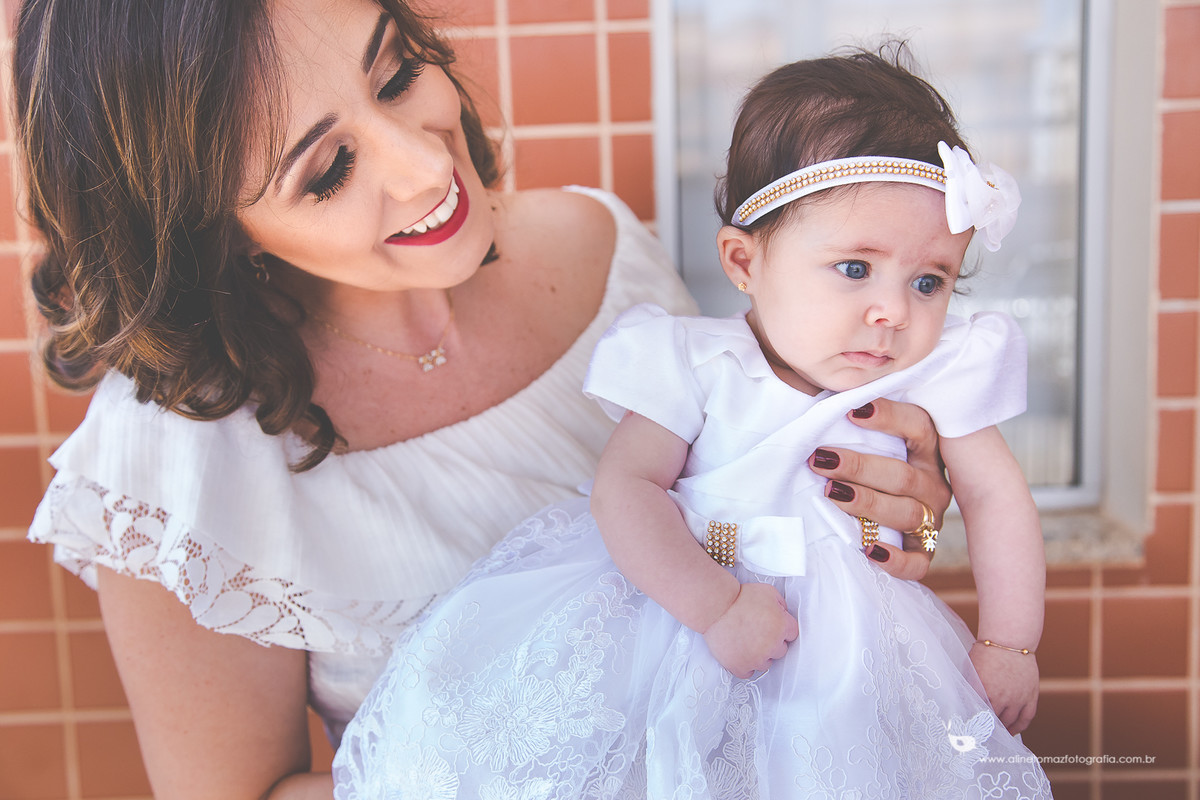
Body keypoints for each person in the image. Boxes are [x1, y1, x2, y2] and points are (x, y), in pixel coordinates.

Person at [18, 0, 953, 795]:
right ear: (212, 227)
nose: (428, 167)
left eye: (393, 78)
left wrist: (874, 504)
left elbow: (726, 526)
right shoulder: (172, 465)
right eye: (327, 170)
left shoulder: (605, 250)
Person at [332, 50, 1051, 799]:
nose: (893, 311)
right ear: (744, 260)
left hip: (855, 644)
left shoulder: (935, 370)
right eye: (854, 268)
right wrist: (716, 606)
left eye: (928, 280)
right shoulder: (694, 363)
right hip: (684, 614)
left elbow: (998, 498)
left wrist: (1010, 642)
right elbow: (626, 489)